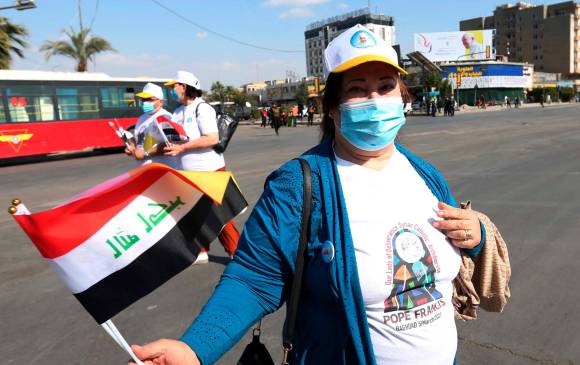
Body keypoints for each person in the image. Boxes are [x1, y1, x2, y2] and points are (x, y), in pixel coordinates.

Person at [131, 24, 498, 365]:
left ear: (402, 96)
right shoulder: (298, 185)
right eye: (357, 89)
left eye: (386, 86)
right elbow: (252, 278)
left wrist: (478, 235)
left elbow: (455, 250)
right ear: (333, 106)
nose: (374, 99)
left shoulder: (424, 174)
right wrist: (194, 349)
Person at [163, 71, 240, 264]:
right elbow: (177, 138)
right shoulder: (177, 112)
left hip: (210, 171)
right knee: (195, 214)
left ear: (186, 87)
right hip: (188, 173)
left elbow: (211, 138)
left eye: (175, 86)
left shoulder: (202, 108)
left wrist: (183, 146)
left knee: (219, 215)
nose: (172, 90)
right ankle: (202, 250)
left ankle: (237, 253)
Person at [125, 83, 179, 169]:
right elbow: (139, 142)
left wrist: (145, 153)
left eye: (149, 99)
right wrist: (132, 148)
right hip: (143, 169)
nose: (145, 102)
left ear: (161, 101)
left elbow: (170, 145)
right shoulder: (142, 118)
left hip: (162, 169)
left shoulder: (165, 117)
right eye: (143, 99)